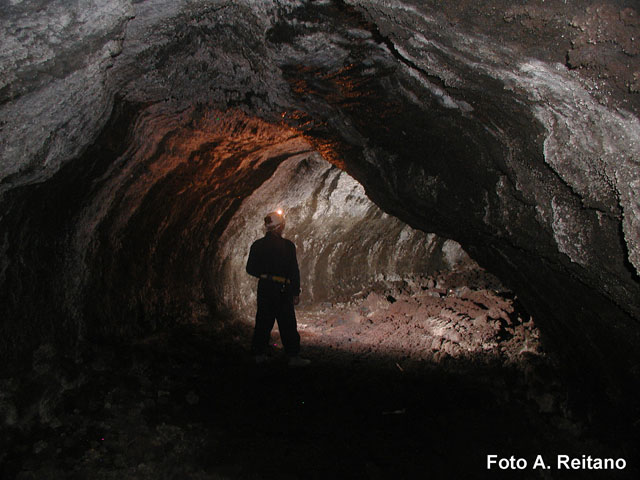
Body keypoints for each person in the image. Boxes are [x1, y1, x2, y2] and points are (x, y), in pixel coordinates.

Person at [246, 210, 310, 367]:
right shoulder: (288, 246)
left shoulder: (257, 245)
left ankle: (258, 355)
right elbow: (294, 271)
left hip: (265, 287)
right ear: (279, 227)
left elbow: (250, 269)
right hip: (283, 288)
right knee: (287, 322)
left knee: (263, 321)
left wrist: (265, 274)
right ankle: (293, 357)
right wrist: (295, 292)